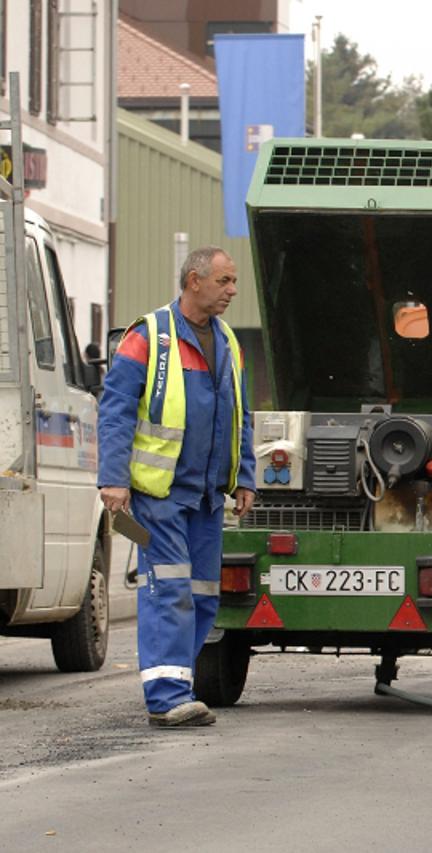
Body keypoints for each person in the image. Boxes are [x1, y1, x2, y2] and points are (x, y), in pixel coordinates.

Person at [97, 247, 255, 728]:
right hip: (159, 496)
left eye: (233, 282)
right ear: (193, 280)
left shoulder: (228, 341)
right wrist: (113, 480)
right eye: (224, 281)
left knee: (204, 595)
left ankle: (177, 685)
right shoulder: (147, 338)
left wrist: (244, 475)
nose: (232, 290)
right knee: (170, 591)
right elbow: (116, 409)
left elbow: (240, 416)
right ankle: (166, 697)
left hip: (207, 498)